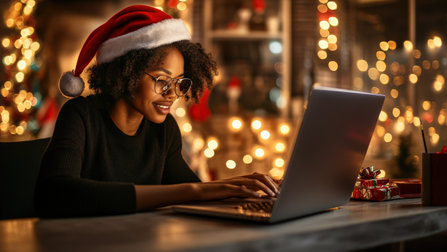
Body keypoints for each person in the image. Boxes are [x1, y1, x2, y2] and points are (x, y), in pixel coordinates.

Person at [34, 5, 279, 217]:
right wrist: (194, 191)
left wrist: (249, 191)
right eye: (162, 80)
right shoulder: (80, 116)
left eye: (180, 83)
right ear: (126, 73)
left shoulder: (164, 129)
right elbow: (56, 194)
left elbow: (194, 191)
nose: (172, 94)